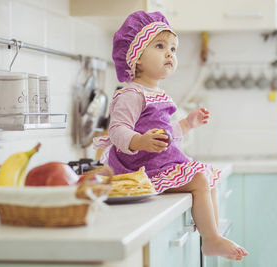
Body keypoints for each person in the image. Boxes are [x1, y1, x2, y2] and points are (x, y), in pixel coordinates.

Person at [93, 11, 248, 260]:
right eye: (160, 46)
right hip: (141, 167)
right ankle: (211, 239)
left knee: (206, 176)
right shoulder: (132, 94)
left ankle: (213, 237)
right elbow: (117, 130)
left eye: (173, 49)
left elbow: (167, 136)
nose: (170, 53)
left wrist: (187, 123)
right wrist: (140, 141)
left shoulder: (160, 94)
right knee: (199, 179)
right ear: (136, 58)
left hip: (159, 162)